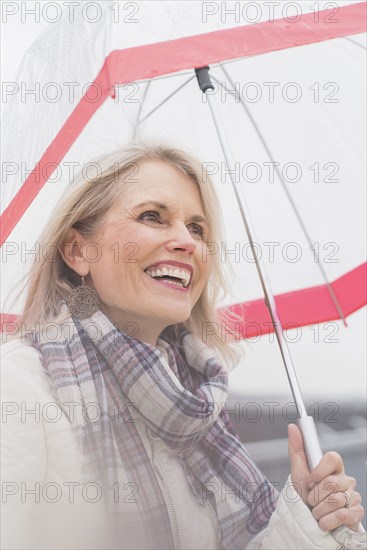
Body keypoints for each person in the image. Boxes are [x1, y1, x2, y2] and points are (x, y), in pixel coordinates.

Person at [1, 142, 365, 550]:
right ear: (77, 251)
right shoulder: (18, 386)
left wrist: (306, 522)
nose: (186, 242)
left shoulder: (197, 399)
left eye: (197, 228)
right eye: (152, 216)